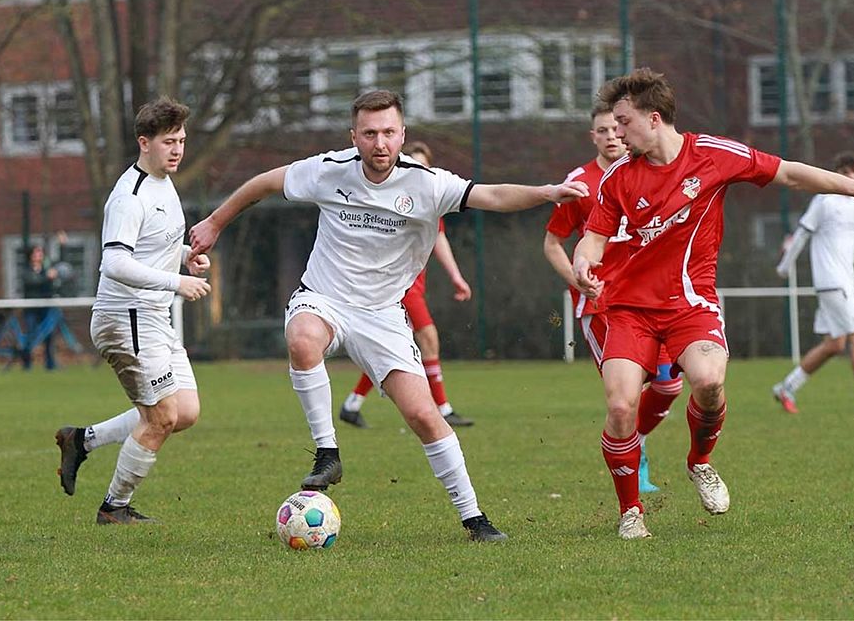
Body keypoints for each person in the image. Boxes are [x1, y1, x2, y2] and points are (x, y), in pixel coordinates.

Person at [188, 90, 586, 542]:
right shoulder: (328, 170)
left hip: (382, 315)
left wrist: (546, 192)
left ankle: (475, 518)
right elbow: (261, 184)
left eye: (389, 133)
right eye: (371, 133)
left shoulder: (428, 183)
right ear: (354, 136)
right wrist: (215, 223)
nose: (380, 143)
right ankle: (327, 452)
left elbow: (491, 194)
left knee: (423, 415)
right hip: (324, 298)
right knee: (301, 339)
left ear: (403, 135)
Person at [571, 68, 854, 539]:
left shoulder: (712, 155)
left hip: (690, 303)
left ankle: (699, 462)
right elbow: (593, 240)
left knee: (708, 382)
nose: (616, 134)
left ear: (654, 118)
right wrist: (584, 265)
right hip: (629, 310)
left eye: (623, 122)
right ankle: (631, 512)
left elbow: (789, 173)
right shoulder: (618, 179)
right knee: (622, 408)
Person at [54, 96, 212, 525]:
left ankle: (81, 440)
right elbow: (115, 263)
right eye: (168, 141)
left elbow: (151, 247)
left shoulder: (165, 182)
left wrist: (184, 257)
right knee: (162, 417)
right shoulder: (129, 195)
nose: (177, 149)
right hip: (126, 317)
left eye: (181, 140)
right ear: (145, 143)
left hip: (151, 316)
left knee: (186, 411)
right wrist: (176, 282)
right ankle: (114, 507)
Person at [543, 102, 682, 495]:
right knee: (627, 394)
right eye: (602, 131)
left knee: (669, 385)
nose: (611, 136)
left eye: (616, 128)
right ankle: (635, 466)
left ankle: (632, 442)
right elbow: (553, 242)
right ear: (593, 137)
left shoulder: (649, 171)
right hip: (602, 304)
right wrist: (577, 278)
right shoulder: (580, 183)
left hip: (651, 298)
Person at [339, 140, 475, 429]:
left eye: (424, 165)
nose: (418, 170)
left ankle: (352, 404)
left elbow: (439, 238)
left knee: (393, 349)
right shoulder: (389, 200)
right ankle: (443, 408)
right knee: (428, 338)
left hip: (414, 285)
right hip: (398, 288)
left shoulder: (429, 200)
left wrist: (456, 276)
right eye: (413, 163)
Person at [773, 152, 854, 414]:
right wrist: (785, 267)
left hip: (844, 283)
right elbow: (801, 235)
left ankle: (786, 387)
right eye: (850, 171)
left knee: (835, 344)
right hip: (832, 282)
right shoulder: (824, 201)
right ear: (840, 173)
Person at [21, 244, 58, 370]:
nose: (39, 255)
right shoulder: (27, 270)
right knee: (30, 334)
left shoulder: (45, 269)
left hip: (45, 307)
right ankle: (27, 364)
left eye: (40, 253)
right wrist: (46, 277)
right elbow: (32, 282)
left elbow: (58, 263)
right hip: (31, 308)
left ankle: (50, 364)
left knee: (48, 335)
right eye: (36, 253)